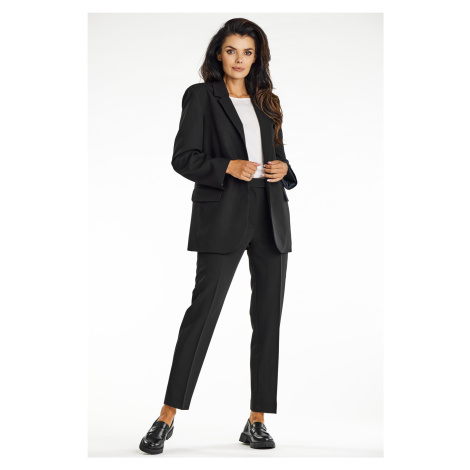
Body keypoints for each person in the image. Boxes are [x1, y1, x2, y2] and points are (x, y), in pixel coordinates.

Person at [139, 17, 297, 455]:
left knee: (268, 320)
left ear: (257, 57)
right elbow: (183, 157)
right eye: (231, 51)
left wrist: (285, 170)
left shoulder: (268, 101)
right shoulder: (201, 96)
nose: (239, 59)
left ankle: (257, 420)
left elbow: (282, 159)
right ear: (218, 54)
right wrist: (227, 166)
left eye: (248, 52)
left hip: (271, 217)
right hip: (223, 215)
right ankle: (166, 416)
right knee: (202, 314)